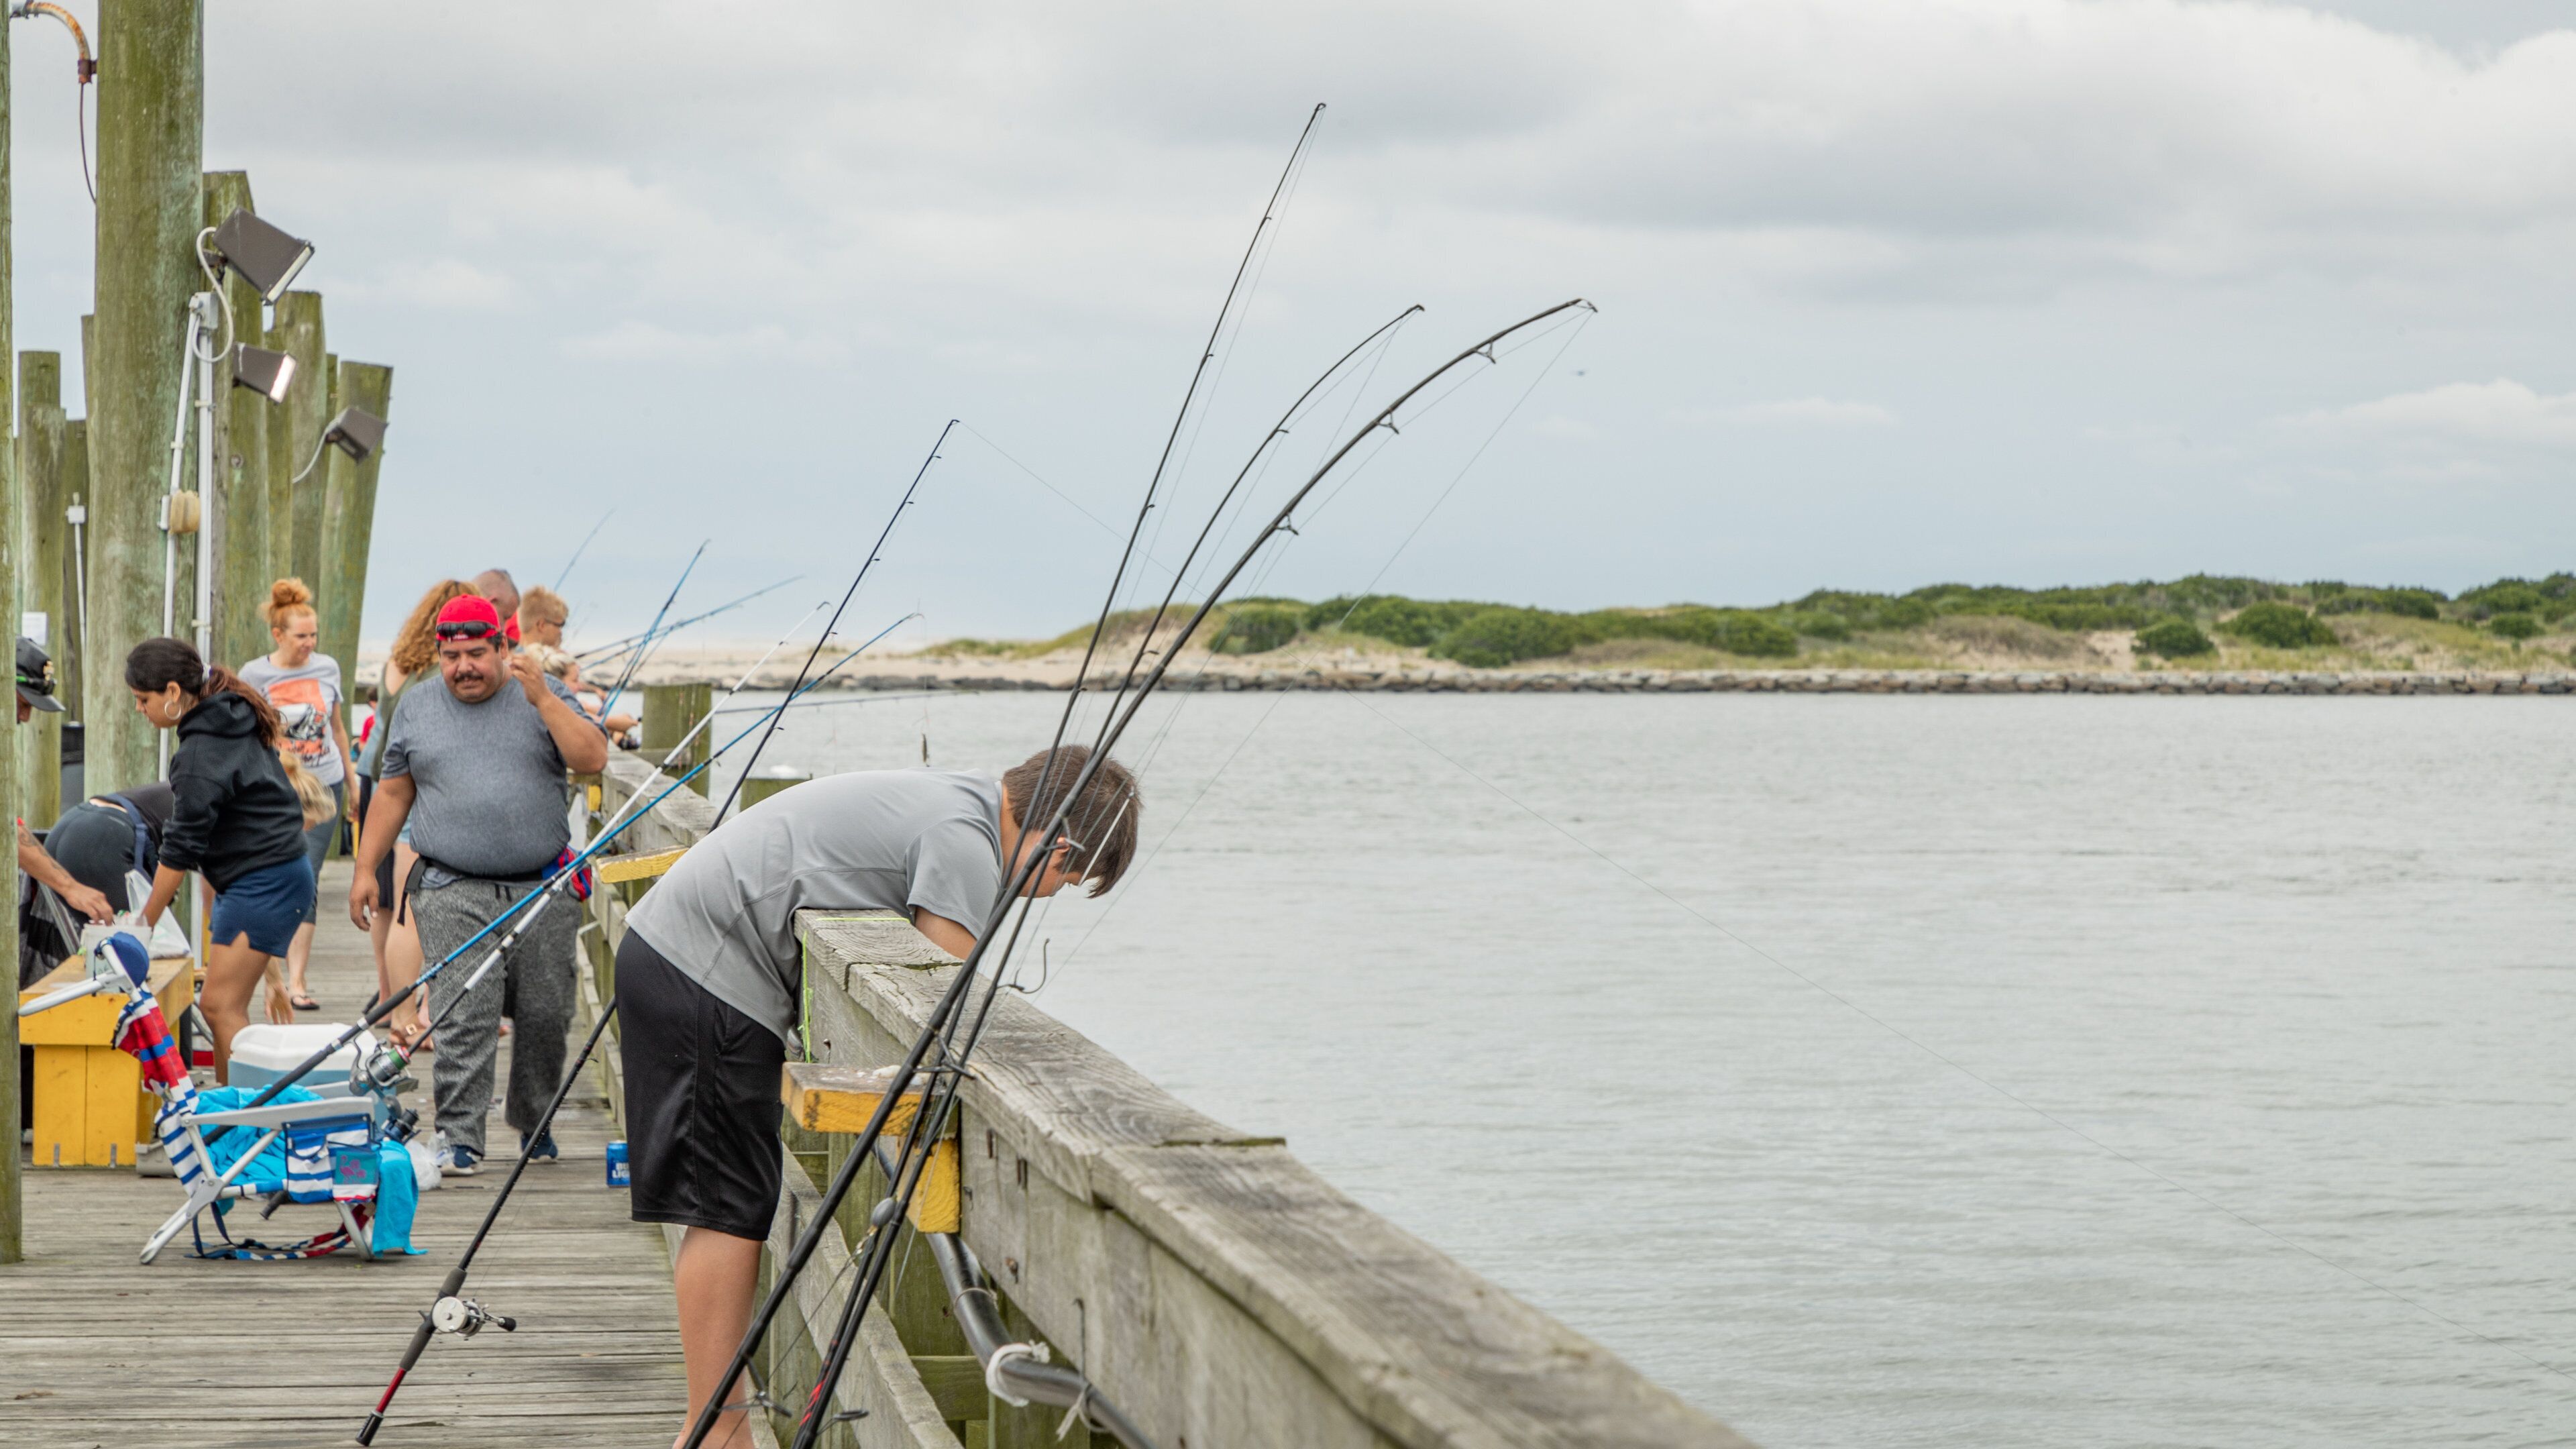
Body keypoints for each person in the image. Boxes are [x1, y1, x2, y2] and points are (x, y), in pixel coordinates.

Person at [617, 745, 1139, 1448]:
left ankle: (714, 1423)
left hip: (686, 959)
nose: (1046, 896)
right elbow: (941, 1001)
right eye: (1068, 879)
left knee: (734, 1200)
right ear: (1062, 845)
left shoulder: (960, 800)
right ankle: (714, 1429)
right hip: (702, 972)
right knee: (726, 1207)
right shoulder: (966, 842)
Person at [349, 594, 607, 1175]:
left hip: (542, 886)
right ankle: (459, 1136)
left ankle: (533, 1120)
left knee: (546, 1012)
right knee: (465, 1011)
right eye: (451, 656)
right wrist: (365, 868)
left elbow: (593, 758)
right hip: (450, 884)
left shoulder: (542, 692)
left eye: (476, 654)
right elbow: (392, 791)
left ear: (504, 648)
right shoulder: (416, 708)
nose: (464, 667)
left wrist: (543, 697)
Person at [125, 637, 311, 1081]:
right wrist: (271, 976)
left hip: (266, 881)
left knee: (219, 1006)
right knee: (223, 1006)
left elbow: (180, 849)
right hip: (261, 877)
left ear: (173, 693)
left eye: (142, 699)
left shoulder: (199, 753)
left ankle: (246, 1122)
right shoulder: (228, 718)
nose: (139, 709)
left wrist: (143, 927)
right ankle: (235, 1114)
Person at [354, 578, 479, 1037]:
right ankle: (411, 1013)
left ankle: (392, 1001)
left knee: (388, 908)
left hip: (376, 777)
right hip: (412, 785)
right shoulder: (437, 673)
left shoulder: (399, 661)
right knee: (410, 910)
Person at [239, 578, 354, 1012]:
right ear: (279, 635)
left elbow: (338, 729)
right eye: (301, 636)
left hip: (322, 784)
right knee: (275, 874)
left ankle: (297, 981)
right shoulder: (255, 675)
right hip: (276, 786)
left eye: (314, 635)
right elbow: (249, 735)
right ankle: (268, 971)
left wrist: (353, 780)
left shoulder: (327, 668)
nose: (310, 644)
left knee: (306, 876)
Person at [517, 585, 568, 650]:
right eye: (559, 625)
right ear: (542, 625)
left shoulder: (507, 656)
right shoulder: (541, 659)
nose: (560, 632)